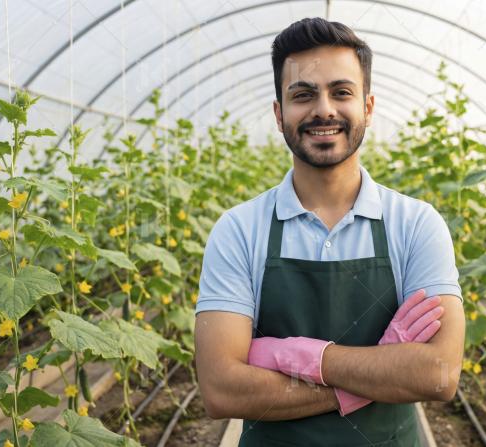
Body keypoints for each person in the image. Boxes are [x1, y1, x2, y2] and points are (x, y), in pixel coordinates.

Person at [194, 17, 465, 446]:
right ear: (280, 113)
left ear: (368, 108)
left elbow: (438, 374)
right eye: (303, 95)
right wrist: (378, 369)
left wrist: (304, 357)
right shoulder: (239, 230)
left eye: (342, 92)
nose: (324, 109)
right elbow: (221, 388)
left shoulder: (415, 224)